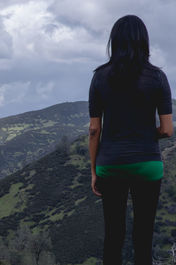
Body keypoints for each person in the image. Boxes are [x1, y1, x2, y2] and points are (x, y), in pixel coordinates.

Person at [88, 15, 173, 265]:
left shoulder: (100, 77)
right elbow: (167, 130)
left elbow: (94, 130)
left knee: (113, 235)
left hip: (111, 164)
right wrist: (146, 134)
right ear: (143, 42)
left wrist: (94, 171)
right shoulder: (157, 77)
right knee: (143, 237)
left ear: (114, 41)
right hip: (147, 163)